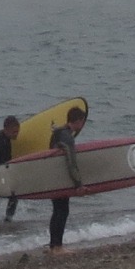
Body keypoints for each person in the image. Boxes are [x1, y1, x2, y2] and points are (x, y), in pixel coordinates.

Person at [46, 106, 88, 249]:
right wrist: (78, 184)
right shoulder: (67, 137)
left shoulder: (58, 132)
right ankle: (57, 246)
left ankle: (54, 246)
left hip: (53, 177)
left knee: (57, 210)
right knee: (62, 211)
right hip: (61, 179)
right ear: (78, 121)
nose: (83, 125)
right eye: (83, 122)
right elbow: (71, 162)